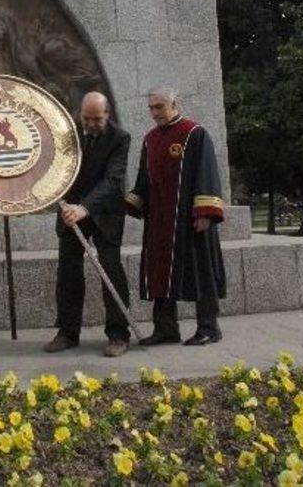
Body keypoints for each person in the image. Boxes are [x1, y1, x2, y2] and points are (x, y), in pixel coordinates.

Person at [126, 87, 226, 346]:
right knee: (160, 272)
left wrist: (205, 213)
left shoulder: (194, 133)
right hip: (160, 221)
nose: (155, 112)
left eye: (159, 107)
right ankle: (166, 329)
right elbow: (144, 180)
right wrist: (128, 203)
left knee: (200, 270)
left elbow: (207, 173)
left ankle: (209, 327)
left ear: (174, 103)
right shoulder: (150, 140)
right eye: (151, 108)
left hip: (192, 220)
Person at [43, 91, 131, 357]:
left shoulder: (120, 138)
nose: (91, 124)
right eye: (87, 118)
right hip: (70, 211)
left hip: (105, 213)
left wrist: (85, 208)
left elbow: (113, 180)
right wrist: (66, 203)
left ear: (107, 114)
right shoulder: (67, 132)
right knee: (68, 271)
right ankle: (67, 332)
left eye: (97, 119)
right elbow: (56, 168)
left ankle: (118, 334)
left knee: (111, 269)